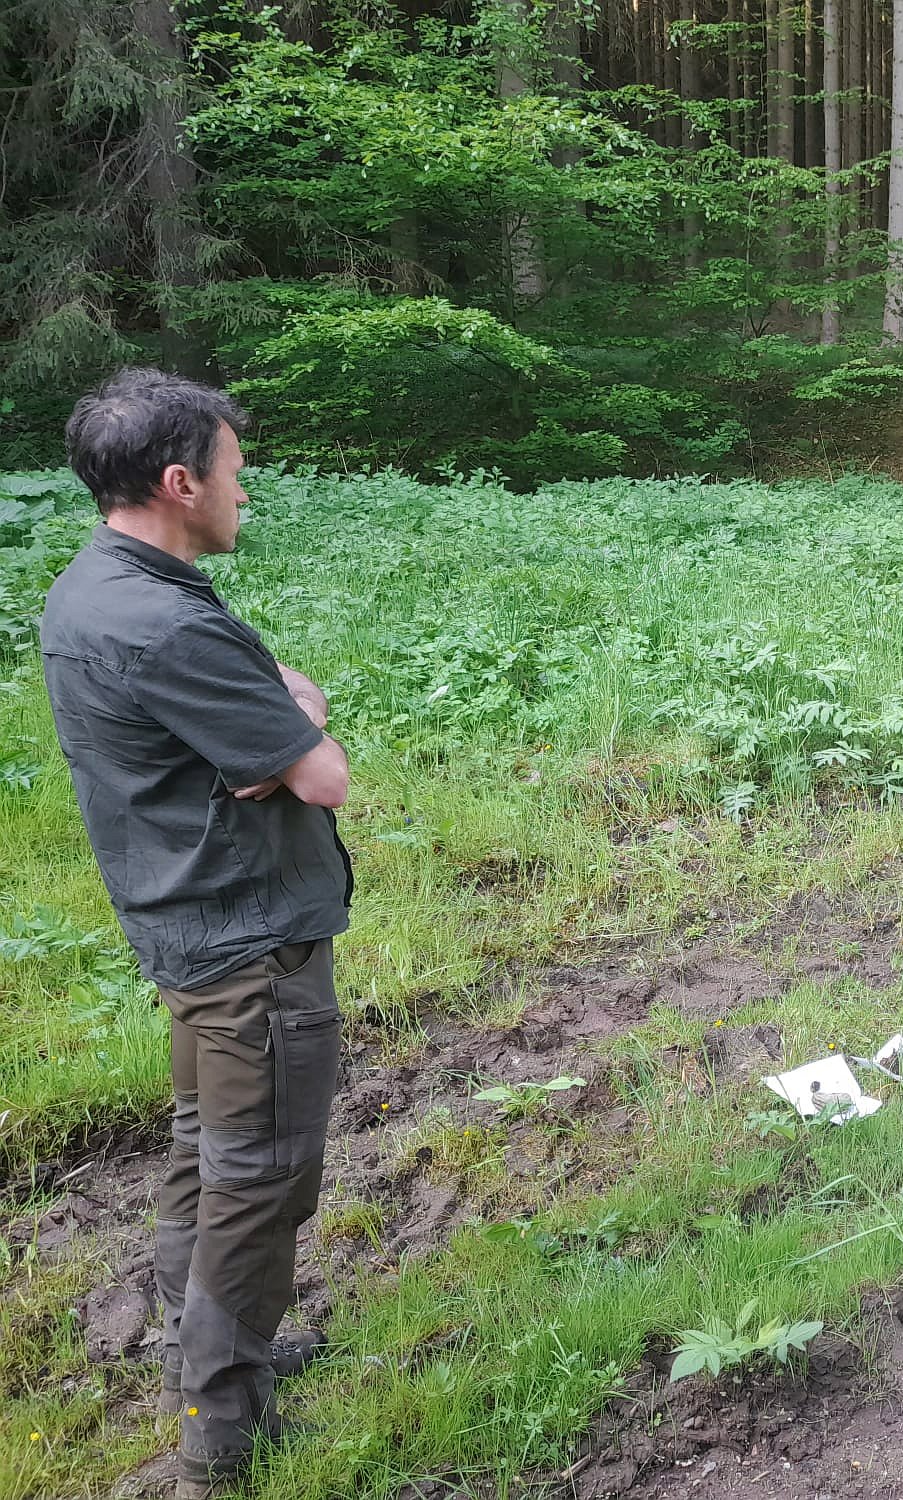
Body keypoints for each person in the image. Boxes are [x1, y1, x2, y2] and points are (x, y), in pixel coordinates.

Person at [41, 369, 352, 1497]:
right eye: (234, 472)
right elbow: (320, 773)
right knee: (262, 1177)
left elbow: (265, 723)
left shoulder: (97, 586)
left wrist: (268, 726)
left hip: (184, 920)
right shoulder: (165, 621)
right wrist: (294, 718)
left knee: (206, 1152)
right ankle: (220, 1431)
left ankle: (203, 1349)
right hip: (246, 944)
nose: (243, 493)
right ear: (181, 482)